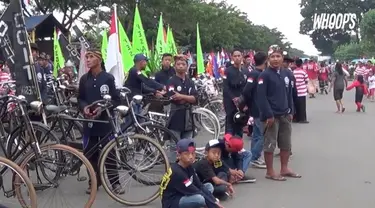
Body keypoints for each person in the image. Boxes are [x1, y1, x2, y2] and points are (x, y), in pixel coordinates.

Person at [77, 49, 123, 195]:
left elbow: (116, 99)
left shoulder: (108, 78)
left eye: (91, 57)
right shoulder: (84, 79)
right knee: (90, 154)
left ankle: (115, 183)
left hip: (104, 122)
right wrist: (84, 108)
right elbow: (81, 98)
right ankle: (94, 182)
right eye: (86, 57)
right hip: (89, 122)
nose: (88, 60)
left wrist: (102, 109)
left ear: (99, 59)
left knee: (109, 154)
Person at [257, 45, 300, 181]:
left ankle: (284, 168)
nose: (275, 59)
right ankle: (270, 171)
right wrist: (268, 114)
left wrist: (291, 110)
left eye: (278, 56)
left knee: (286, 143)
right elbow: (261, 97)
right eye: (272, 56)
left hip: (285, 115)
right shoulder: (264, 75)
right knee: (270, 144)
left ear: (282, 58)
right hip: (271, 117)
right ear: (268, 59)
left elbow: (291, 94)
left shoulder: (287, 74)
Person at [160, 138, 224, 208]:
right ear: (179, 155)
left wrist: (214, 200)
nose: (191, 157)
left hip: (182, 192)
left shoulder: (188, 166)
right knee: (200, 199)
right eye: (186, 154)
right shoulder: (177, 172)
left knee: (208, 186)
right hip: (171, 202)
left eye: (193, 153)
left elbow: (199, 185)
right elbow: (196, 191)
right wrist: (214, 205)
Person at [241, 51, 268, 169]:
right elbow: (246, 90)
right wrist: (248, 103)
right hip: (259, 108)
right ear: (265, 61)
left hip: (256, 107)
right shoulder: (257, 74)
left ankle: (254, 156)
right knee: (262, 135)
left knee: (257, 134)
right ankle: (254, 157)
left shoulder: (256, 73)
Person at [166, 55, 198, 140]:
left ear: (187, 66)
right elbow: (173, 97)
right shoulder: (171, 81)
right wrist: (188, 98)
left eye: (183, 64)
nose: (181, 66)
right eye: (178, 64)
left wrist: (181, 96)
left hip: (188, 119)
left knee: (188, 146)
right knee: (175, 146)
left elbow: (195, 98)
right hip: (175, 117)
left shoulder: (190, 82)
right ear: (175, 66)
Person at [223, 49, 247, 137]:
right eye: (235, 56)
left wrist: (244, 100)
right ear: (232, 57)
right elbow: (225, 87)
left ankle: (238, 146)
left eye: (239, 56)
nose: (237, 58)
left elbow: (246, 87)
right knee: (230, 124)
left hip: (242, 101)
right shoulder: (228, 71)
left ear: (242, 57)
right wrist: (233, 98)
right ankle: (228, 144)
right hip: (230, 101)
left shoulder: (245, 71)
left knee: (240, 123)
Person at [293, 59, 309, 123]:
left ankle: (296, 118)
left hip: (296, 91)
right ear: (301, 64)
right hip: (302, 91)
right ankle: (302, 119)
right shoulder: (303, 72)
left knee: (296, 105)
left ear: (295, 64)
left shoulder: (293, 72)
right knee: (302, 106)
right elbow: (306, 80)